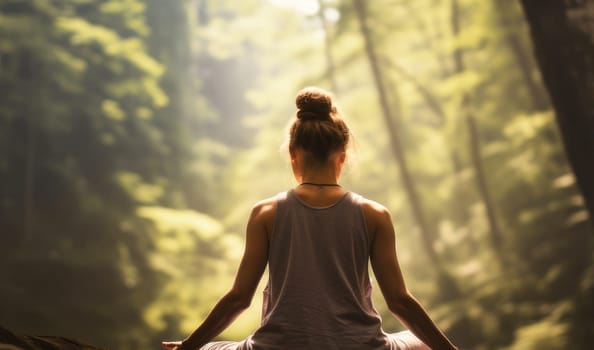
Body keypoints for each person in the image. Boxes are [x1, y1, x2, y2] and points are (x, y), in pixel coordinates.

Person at [162, 87, 459, 350]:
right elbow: (399, 302)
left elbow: (239, 298)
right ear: (342, 156)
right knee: (419, 341)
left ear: (293, 154)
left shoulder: (266, 213)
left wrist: (189, 346)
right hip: (360, 345)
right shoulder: (374, 215)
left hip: (277, 346)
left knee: (209, 348)